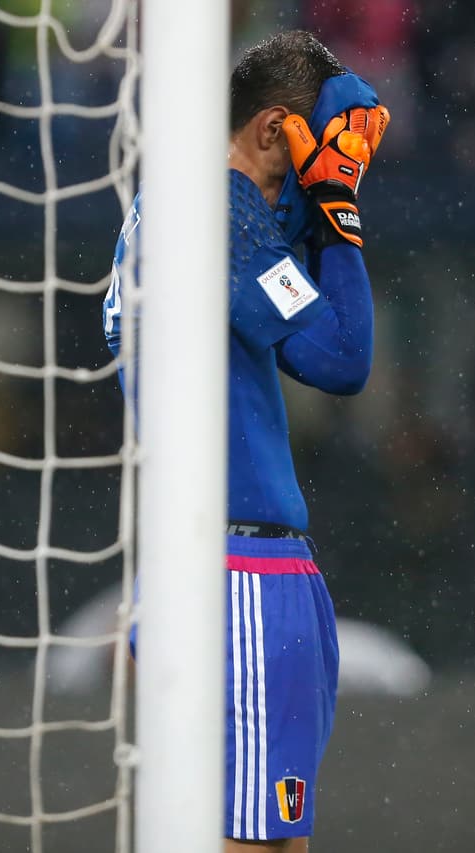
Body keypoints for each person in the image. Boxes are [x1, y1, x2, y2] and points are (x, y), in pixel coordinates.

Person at [102, 31, 389, 852]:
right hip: (241, 574)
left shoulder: (174, 212)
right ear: (272, 131)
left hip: (191, 561)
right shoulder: (217, 212)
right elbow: (341, 359)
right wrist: (340, 221)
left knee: (244, 837)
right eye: (326, 152)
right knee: (258, 845)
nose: (330, 174)